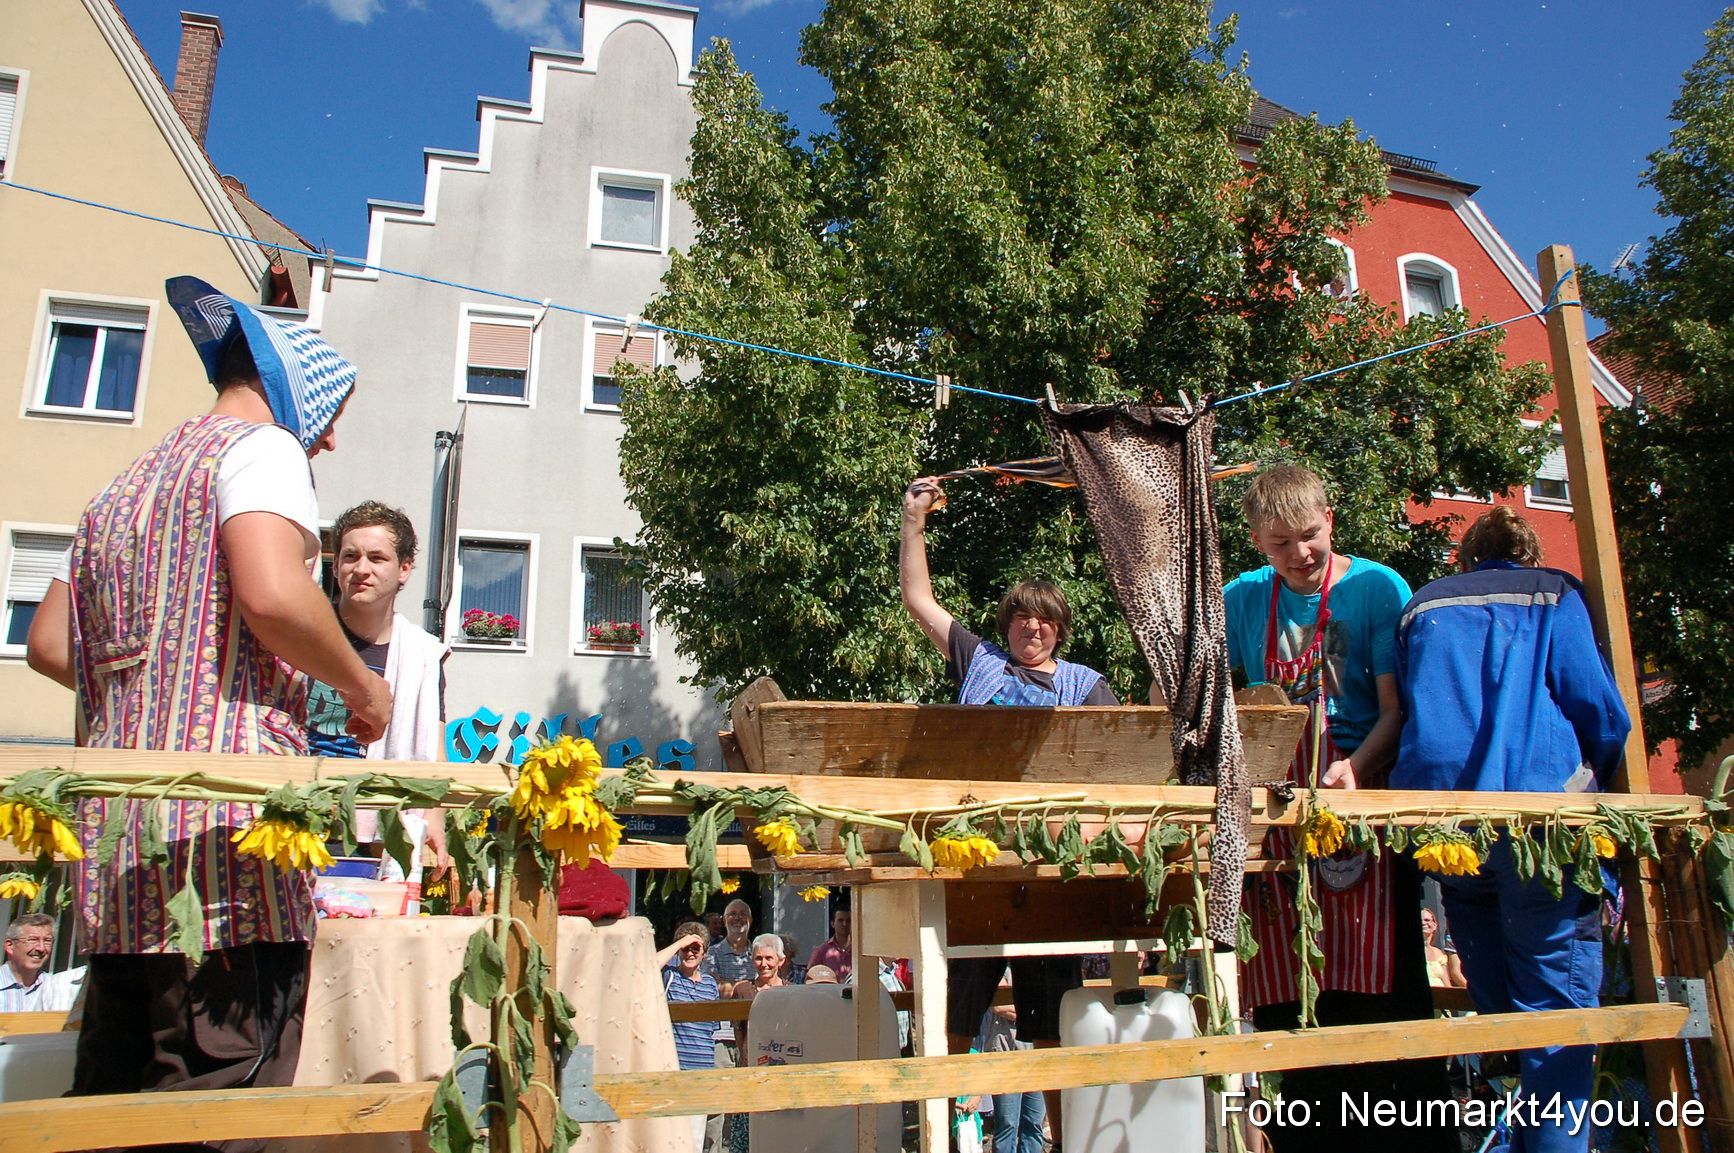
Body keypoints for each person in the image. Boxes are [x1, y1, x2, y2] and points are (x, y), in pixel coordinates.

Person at [25, 275, 391, 1135]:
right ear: (289, 392)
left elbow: (48, 642)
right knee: (222, 1096)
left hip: (118, 860)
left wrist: (155, 688)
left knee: (111, 1113)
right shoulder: (262, 451)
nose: (328, 438)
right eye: (327, 413)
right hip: (220, 860)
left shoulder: (123, 486)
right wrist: (359, 683)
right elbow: (270, 594)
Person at [1220, 465, 1451, 1153]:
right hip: (1278, 812)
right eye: (1280, 543)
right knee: (1289, 986)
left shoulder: (1378, 588)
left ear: (1331, 515)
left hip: (1362, 798)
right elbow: (1230, 708)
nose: (1300, 555)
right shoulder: (1238, 599)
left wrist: (1357, 765)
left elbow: (1395, 708)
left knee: (1380, 987)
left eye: (1310, 536)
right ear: (1257, 539)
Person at [1392, 506, 1630, 1153]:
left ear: (1464, 557)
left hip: (1452, 833)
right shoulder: (1552, 592)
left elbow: (1418, 711)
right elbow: (1600, 709)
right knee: (1554, 1026)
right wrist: (1596, 783)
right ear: (1526, 554)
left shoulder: (1421, 607)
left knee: (1498, 1018)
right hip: (1541, 831)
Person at [903, 474, 1118, 1146]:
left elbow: (1113, 771)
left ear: (1061, 629)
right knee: (955, 1014)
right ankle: (937, 1137)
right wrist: (914, 519)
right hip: (977, 865)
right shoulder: (979, 659)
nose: (1034, 625)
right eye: (1024, 615)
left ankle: (1065, 1142)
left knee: (1050, 1025)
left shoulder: (1088, 685)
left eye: (1047, 618)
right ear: (1007, 623)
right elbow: (918, 599)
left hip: (1051, 870)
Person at [307, 502, 450, 893]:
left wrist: (433, 819)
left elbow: (433, 749)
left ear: (404, 568)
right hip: (296, 813)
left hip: (374, 834)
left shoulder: (423, 655)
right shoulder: (301, 634)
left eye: (377, 557)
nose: (362, 569)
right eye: (350, 556)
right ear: (335, 566)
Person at [656, 922, 720, 1153]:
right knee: (667, 1137)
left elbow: (711, 1028)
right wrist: (678, 944)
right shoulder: (669, 976)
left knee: (694, 1140)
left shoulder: (711, 985)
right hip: (673, 1069)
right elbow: (645, 967)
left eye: (696, 948)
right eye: (686, 949)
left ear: (704, 953)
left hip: (701, 1071)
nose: (690, 953)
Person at [700, 899, 756, 1153]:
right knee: (717, 1098)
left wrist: (730, 986)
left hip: (752, 1034)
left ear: (750, 921)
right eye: (732, 914)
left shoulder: (758, 952)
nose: (737, 918)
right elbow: (713, 987)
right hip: (722, 1035)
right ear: (723, 921)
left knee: (747, 1096)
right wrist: (745, 988)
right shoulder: (713, 953)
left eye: (742, 914)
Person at [979, 992, 1045, 1153]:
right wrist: (1037, 1014)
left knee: (1034, 1124)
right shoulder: (1001, 969)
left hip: (1038, 1057)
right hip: (1005, 1055)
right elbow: (999, 1006)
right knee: (1007, 1124)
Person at [0, 914, 81, 1013]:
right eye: (33, 940)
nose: (41, 948)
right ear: (10, 946)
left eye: (47, 941)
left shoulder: (56, 987)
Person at [807, 900, 853, 984]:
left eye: (848, 920)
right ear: (832, 924)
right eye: (840, 920)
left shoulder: (860, 951)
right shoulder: (821, 951)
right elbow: (810, 977)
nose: (845, 924)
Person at [1420, 907, 1465, 990]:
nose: (1423, 923)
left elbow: (1447, 985)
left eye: (1427, 920)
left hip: (1440, 998)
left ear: (1435, 925)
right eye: (1420, 920)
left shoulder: (1439, 954)